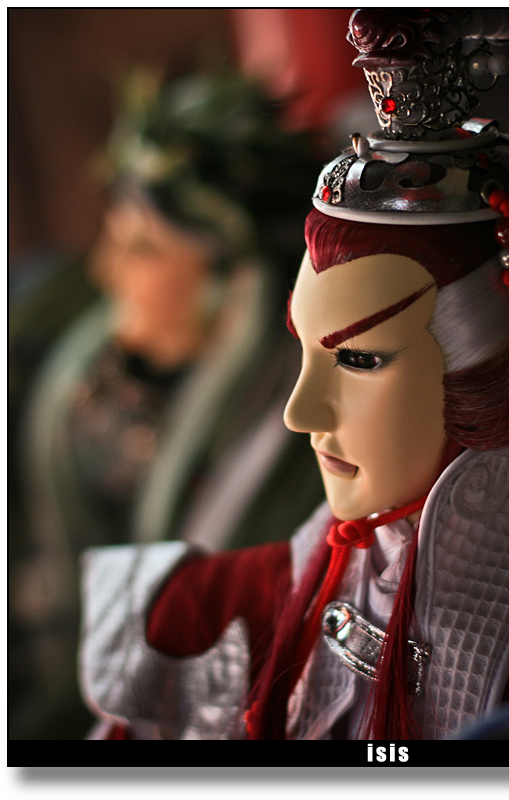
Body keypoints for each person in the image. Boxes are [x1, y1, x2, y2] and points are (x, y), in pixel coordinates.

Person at [78, 10, 509, 741]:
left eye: (359, 358)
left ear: (497, 357)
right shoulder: (235, 606)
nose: (301, 412)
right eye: (307, 351)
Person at [9, 67, 326, 739]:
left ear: (234, 284)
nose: (104, 270)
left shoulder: (299, 432)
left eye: (142, 249)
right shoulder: (92, 376)